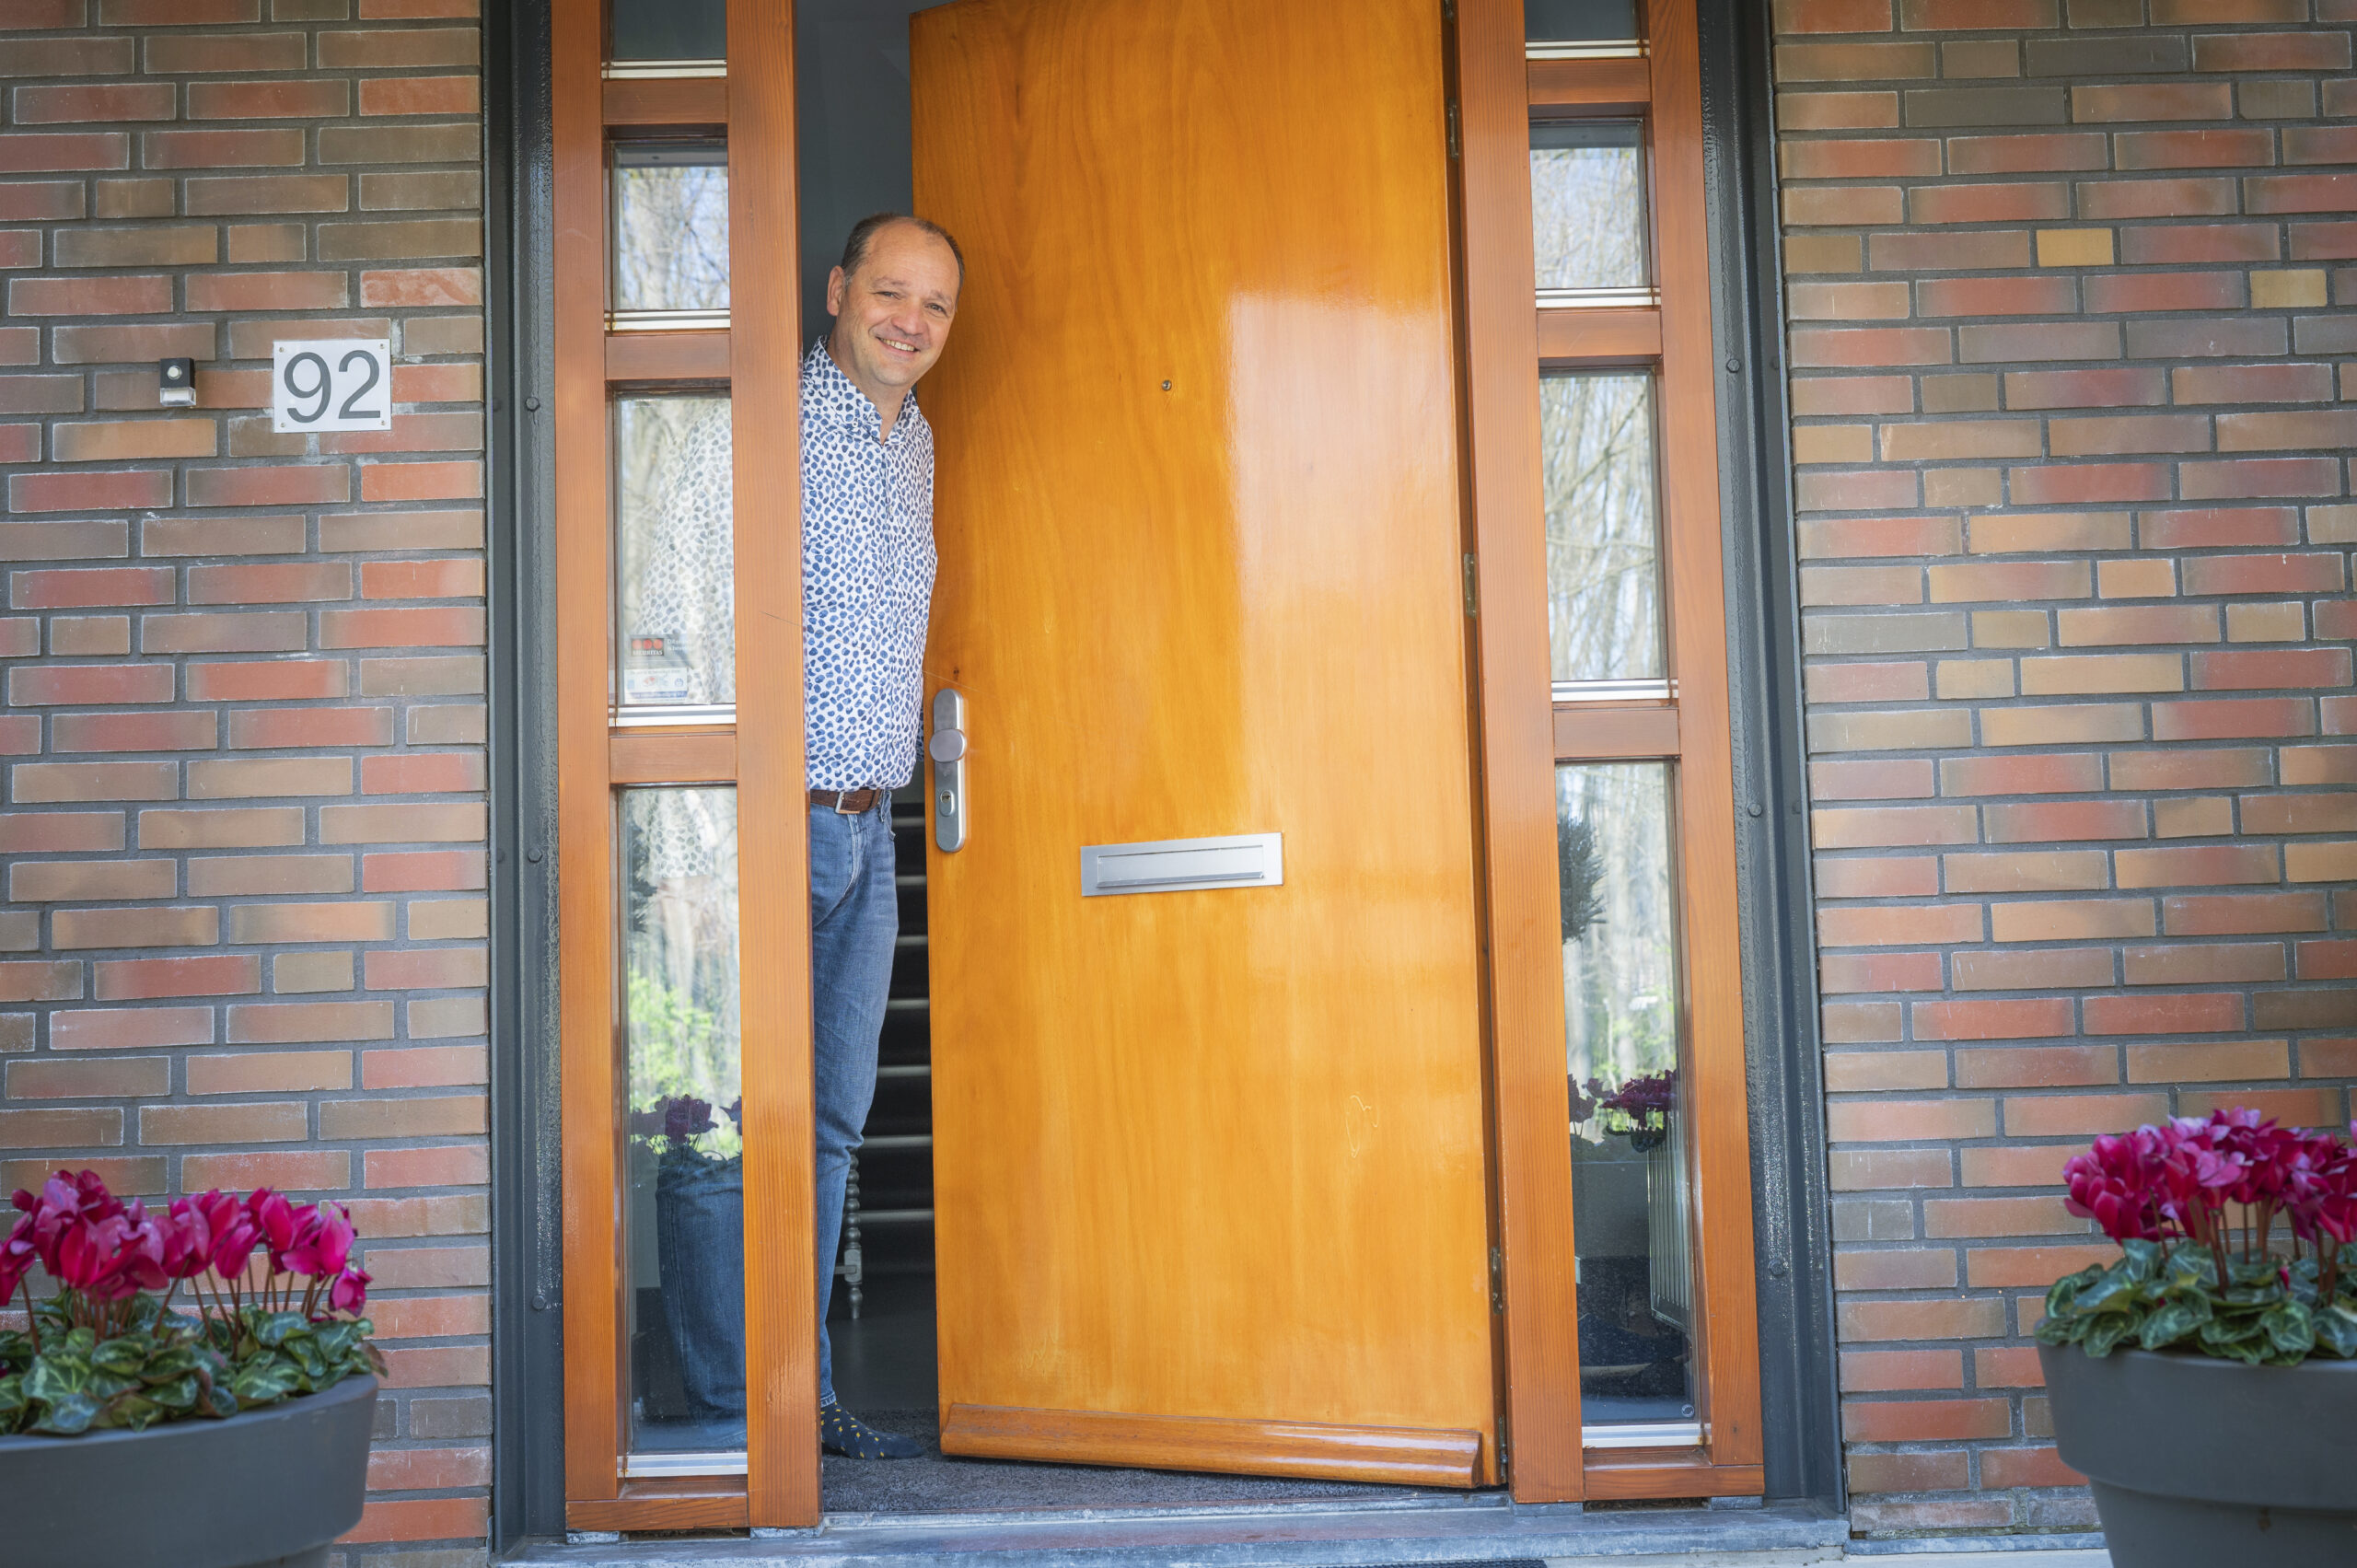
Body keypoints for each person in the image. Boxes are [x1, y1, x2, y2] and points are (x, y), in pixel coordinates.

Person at [801, 212, 962, 1460]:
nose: (911, 322)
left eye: (937, 306)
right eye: (891, 293)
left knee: (836, 1119)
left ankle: (796, 1399)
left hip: (874, 824)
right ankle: (721, 1407)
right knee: (726, 1119)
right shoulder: (772, 426)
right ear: (839, 288)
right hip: (775, 816)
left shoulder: (918, 442)